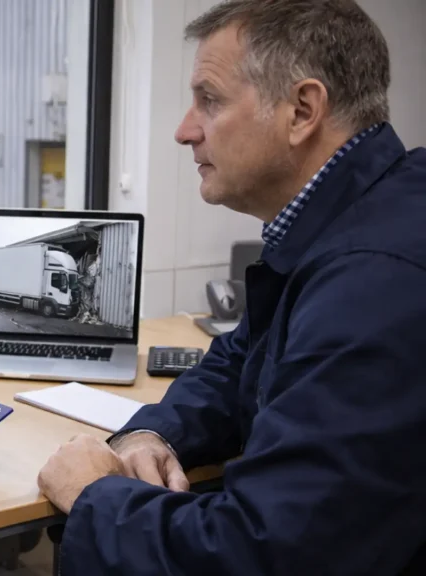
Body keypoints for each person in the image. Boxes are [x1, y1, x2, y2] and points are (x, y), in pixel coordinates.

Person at [37, 0, 426, 573]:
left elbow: (262, 553)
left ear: (302, 111)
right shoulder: (346, 221)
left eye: (210, 100)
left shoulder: (372, 280)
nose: (183, 130)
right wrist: (154, 434)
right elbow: (240, 358)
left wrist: (96, 496)